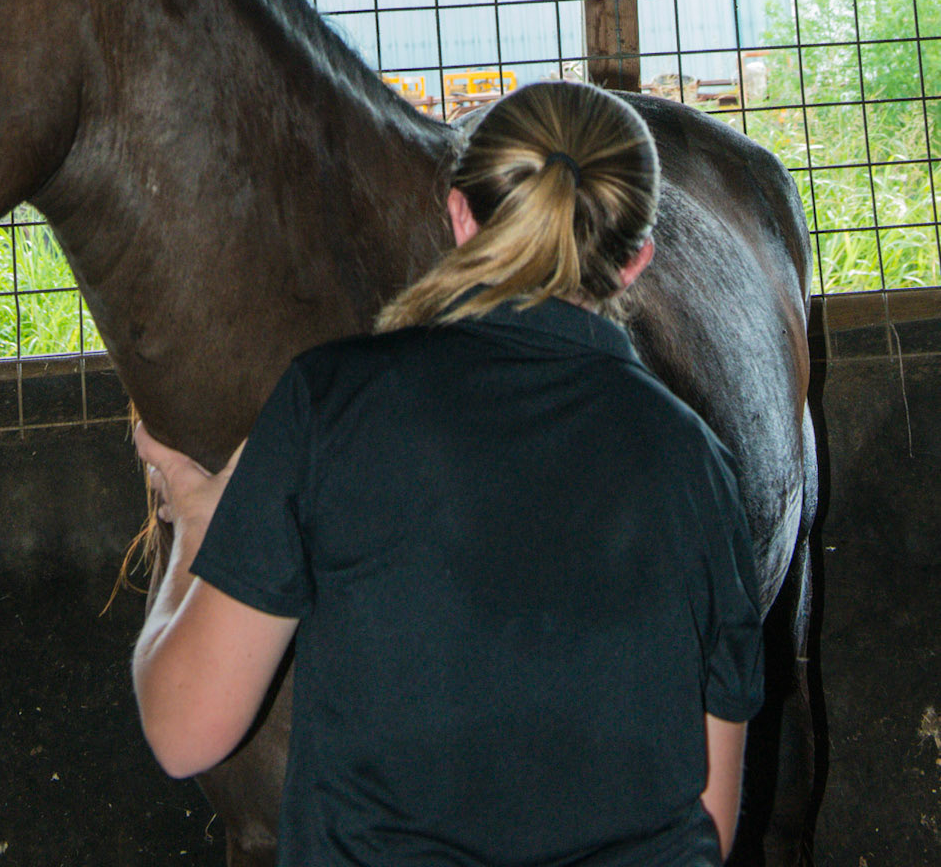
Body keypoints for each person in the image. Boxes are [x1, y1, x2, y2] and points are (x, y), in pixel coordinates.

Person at [132, 80, 764, 866]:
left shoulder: (332, 402)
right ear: (636, 262)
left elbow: (186, 731)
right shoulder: (696, 462)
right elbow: (708, 817)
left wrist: (196, 520)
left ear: (460, 216)